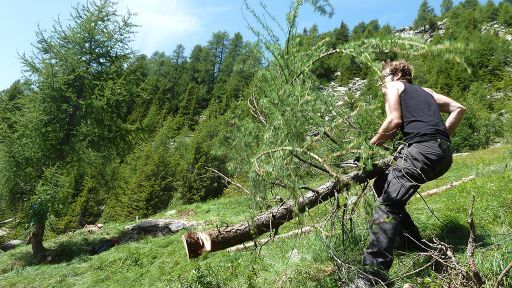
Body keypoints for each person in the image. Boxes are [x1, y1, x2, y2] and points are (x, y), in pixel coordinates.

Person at [361, 60, 466, 284]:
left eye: (384, 76)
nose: (382, 82)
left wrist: (367, 151)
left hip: (422, 151)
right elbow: (458, 108)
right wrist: (441, 137)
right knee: (382, 184)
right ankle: (411, 243)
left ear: (397, 74)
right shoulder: (426, 92)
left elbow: (393, 120)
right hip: (443, 155)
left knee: (387, 205)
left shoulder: (394, 86)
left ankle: (372, 276)